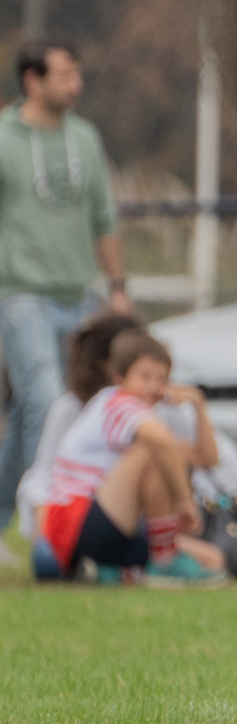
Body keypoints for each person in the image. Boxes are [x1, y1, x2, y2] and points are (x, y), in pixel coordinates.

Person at [0, 40, 132, 557]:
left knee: (48, 411)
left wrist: (117, 290)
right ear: (32, 81)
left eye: (78, 75)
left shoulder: (85, 138)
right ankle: (48, 529)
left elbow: (104, 218)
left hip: (79, 296)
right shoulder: (5, 139)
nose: (75, 85)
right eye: (64, 76)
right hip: (20, 294)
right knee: (45, 399)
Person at [32, 330, 227, 587]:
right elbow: (161, 443)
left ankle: (118, 573)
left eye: (162, 379)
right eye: (145, 377)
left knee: (213, 559)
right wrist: (183, 502)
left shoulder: (141, 420)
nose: (155, 387)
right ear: (119, 376)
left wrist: (198, 405)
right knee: (153, 449)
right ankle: (164, 562)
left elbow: (207, 458)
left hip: (112, 528)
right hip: (77, 525)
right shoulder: (117, 403)